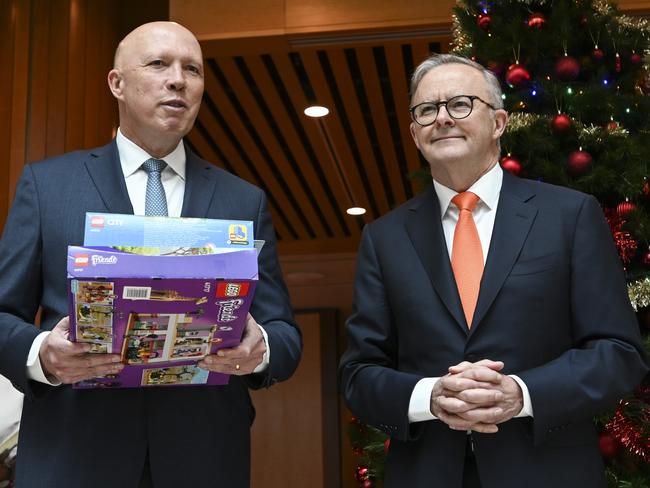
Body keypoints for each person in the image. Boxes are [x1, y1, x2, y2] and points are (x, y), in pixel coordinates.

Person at [0, 21, 301, 488]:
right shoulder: (47, 186)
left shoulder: (243, 200)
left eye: (192, 69)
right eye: (159, 64)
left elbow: (283, 330)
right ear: (116, 83)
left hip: (204, 456)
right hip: (75, 454)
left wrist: (259, 350)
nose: (178, 79)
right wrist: (43, 354)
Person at [339, 53, 648, 488]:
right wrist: (431, 397)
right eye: (427, 110)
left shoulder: (570, 215)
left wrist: (521, 394)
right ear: (414, 134)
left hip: (549, 472)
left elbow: (619, 352)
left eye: (461, 104)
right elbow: (358, 373)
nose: (443, 118)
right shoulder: (384, 238)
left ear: (499, 122)